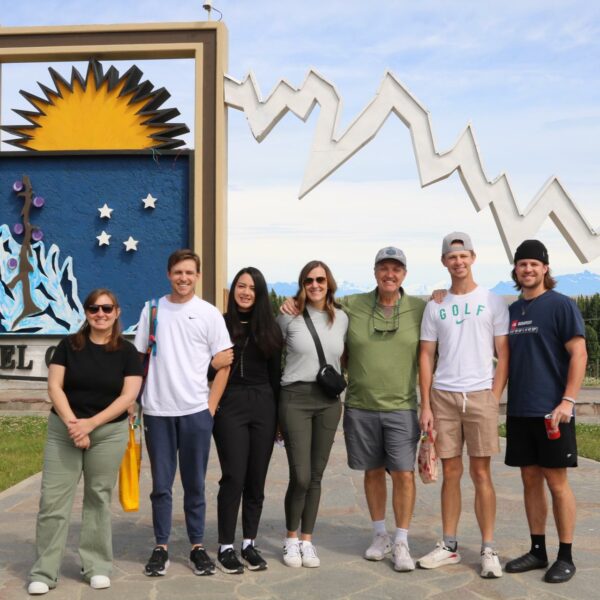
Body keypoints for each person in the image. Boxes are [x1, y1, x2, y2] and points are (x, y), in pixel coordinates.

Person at [281, 246, 425, 572]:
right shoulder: (354, 306)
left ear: (404, 274)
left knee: (403, 473)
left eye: (396, 269)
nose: (390, 274)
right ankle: (379, 535)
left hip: (402, 406)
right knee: (372, 471)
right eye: (384, 268)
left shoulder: (420, 307)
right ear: (375, 272)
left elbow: (431, 351)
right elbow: (322, 315)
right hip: (360, 405)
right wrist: (292, 302)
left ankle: (401, 540)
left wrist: (443, 293)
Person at [28, 289, 143, 595]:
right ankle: (44, 571)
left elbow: (128, 396)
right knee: (53, 501)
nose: (100, 313)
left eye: (107, 308)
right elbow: (55, 386)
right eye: (94, 308)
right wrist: (74, 425)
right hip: (64, 430)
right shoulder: (69, 345)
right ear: (87, 312)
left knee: (97, 498)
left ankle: (96, 566)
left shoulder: (128, 353)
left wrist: (91, 425)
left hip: (108, 433)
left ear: (117, 312)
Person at [134, 249, 232, 578]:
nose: (183, 278)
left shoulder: (208, 314)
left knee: (194, 484)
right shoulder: (152, 310)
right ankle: (160, 547)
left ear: (198, 276)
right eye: (178, 272)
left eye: (189, 272)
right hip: (158, 411)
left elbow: (225, 363)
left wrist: (211, 408)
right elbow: (138, 360)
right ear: (168, 274)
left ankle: (196, 547)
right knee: (161, 485)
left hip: (195, 412)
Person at [418, 232, 509, 578]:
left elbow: (504, 353)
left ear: (473, 257)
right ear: (444, 261)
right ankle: (449, 544)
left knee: (482, 472)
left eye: (463, 256)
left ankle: (488, 548)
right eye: (451, 257)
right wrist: (425, 404)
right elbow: (426, 355)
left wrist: (493, 394)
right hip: (443, 395)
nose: (458, 262)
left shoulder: (492, 300)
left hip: (480, 394)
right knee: (450, 473)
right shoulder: (435, 304)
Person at [504, 239, 586, 583]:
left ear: (545, 269)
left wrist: (567, 400)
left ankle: (565, 556)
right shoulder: (510, 311)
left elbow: (579, 354)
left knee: (557, 482)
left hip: (553, 412)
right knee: (529, 480)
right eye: (522, 264)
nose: (528, 269)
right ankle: (538, 551)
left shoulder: (560, 305)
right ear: (516, 270)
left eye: (534, 264)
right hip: (520, 411)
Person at [209, 267, 283, 574]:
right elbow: (204, 368)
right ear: (233, 290)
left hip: (264, 403)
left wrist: (278, 418)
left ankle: (249, 543)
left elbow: (276, 377)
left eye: (252, 288)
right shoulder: (220, 324)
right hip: (231, 404)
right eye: (241, 286)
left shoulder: (270, 328)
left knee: (256, 479)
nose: (246, 292)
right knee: (234, 476)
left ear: (260, 293)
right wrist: (213, 366)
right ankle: (226, 545)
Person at [277, 260, 348, 568]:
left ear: (328, 283)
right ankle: (290, 539)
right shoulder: (288, 317)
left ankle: (307, 540)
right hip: (295, 398)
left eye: (320, 279)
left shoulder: (342, 318)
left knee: (316, 476)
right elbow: (269, 354)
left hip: (329, 402)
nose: (315, 285)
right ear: (302, 284)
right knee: (301, 475)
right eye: (309, 280)